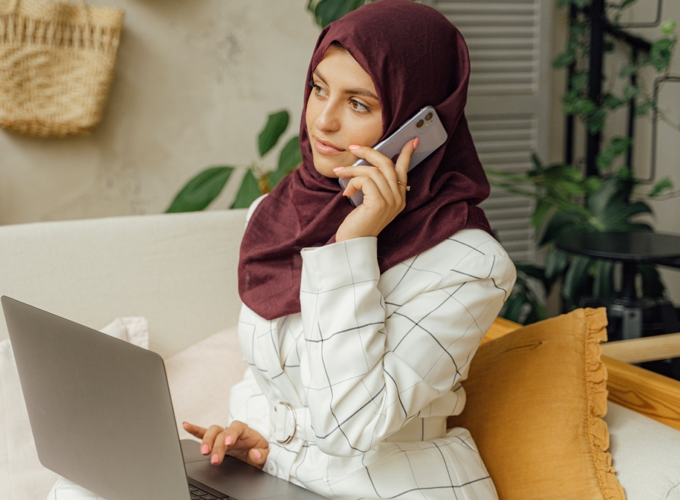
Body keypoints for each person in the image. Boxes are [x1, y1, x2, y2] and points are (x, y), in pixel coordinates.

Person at [181, 1, 516, 499]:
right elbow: (268, 379)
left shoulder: (471, 263)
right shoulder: (276, 216)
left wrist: (353, 244)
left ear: (419, 125)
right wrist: (261, 439)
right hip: (281, 480)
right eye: (319, 89)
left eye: (358, 103)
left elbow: (348, 425)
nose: (324, 121)